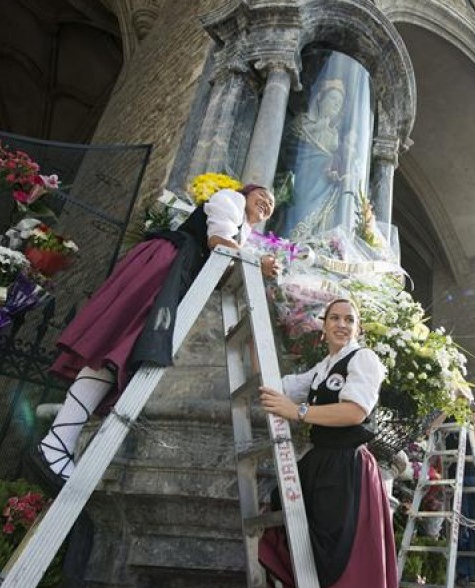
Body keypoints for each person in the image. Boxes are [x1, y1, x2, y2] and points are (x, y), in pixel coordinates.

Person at [34, 184, 276, 482]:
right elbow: (217, 241)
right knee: (118, 348)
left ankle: (59, 440)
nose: (267, 202)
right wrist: (255, 263)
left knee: (119, 353)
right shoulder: (231, 199)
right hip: (166, 265)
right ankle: (57, 442)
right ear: (246, 192)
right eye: (262, 195)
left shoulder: (243, 230)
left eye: (272, 204)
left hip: (176, 272)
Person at [257, 298, 398, 588]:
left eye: (349, 319)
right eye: (334, 317)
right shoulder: (323, 366)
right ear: (323, 324)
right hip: (321, 462)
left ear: (357, 328)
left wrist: (298, 412)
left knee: (338, 558)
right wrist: (254, 336)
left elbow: (354, 412)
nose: (341, 324)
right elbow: (279, 386)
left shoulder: (364, 359)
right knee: (283, 519)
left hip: (347, 466)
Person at [277, 79, 350, 240]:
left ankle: (307, 241)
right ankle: (288, 240)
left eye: (339, 103)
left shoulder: (334, 135)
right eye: (332, 99)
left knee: (320, 215)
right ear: (320, 99)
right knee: (299, 207)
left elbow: (335, 156)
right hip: (302, 175)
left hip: (322, 182)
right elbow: (289, 143)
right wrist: (317, 127)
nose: (336, 104)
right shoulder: (304, 121)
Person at [439, 397, 475, 586]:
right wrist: (449, 408)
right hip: (458, 475)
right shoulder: (448, 419)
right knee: (460, 525)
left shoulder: (469, 419)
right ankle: (462, 572)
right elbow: (432, 428)